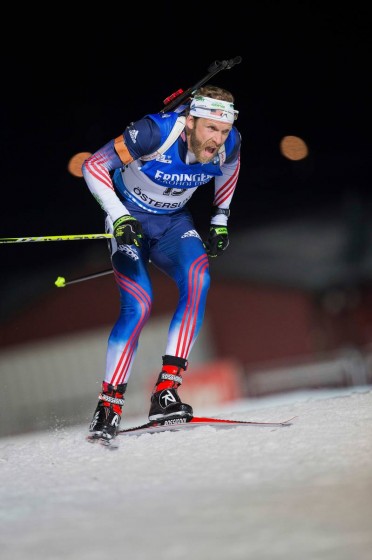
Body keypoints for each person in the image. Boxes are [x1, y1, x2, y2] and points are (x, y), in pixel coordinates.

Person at [82, 84, 241, 440]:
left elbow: (231, 168)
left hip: (173, 224)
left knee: (199, 278)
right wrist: (119, 216)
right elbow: (92, 166)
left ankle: (165, 393)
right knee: (139, 306)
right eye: (210, 129)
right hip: (130, 220)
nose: (217, 139)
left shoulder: (229, 143)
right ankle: (108, 406)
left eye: (224, 130)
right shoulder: (155, 131)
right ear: (189, 123)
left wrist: (220, 219)